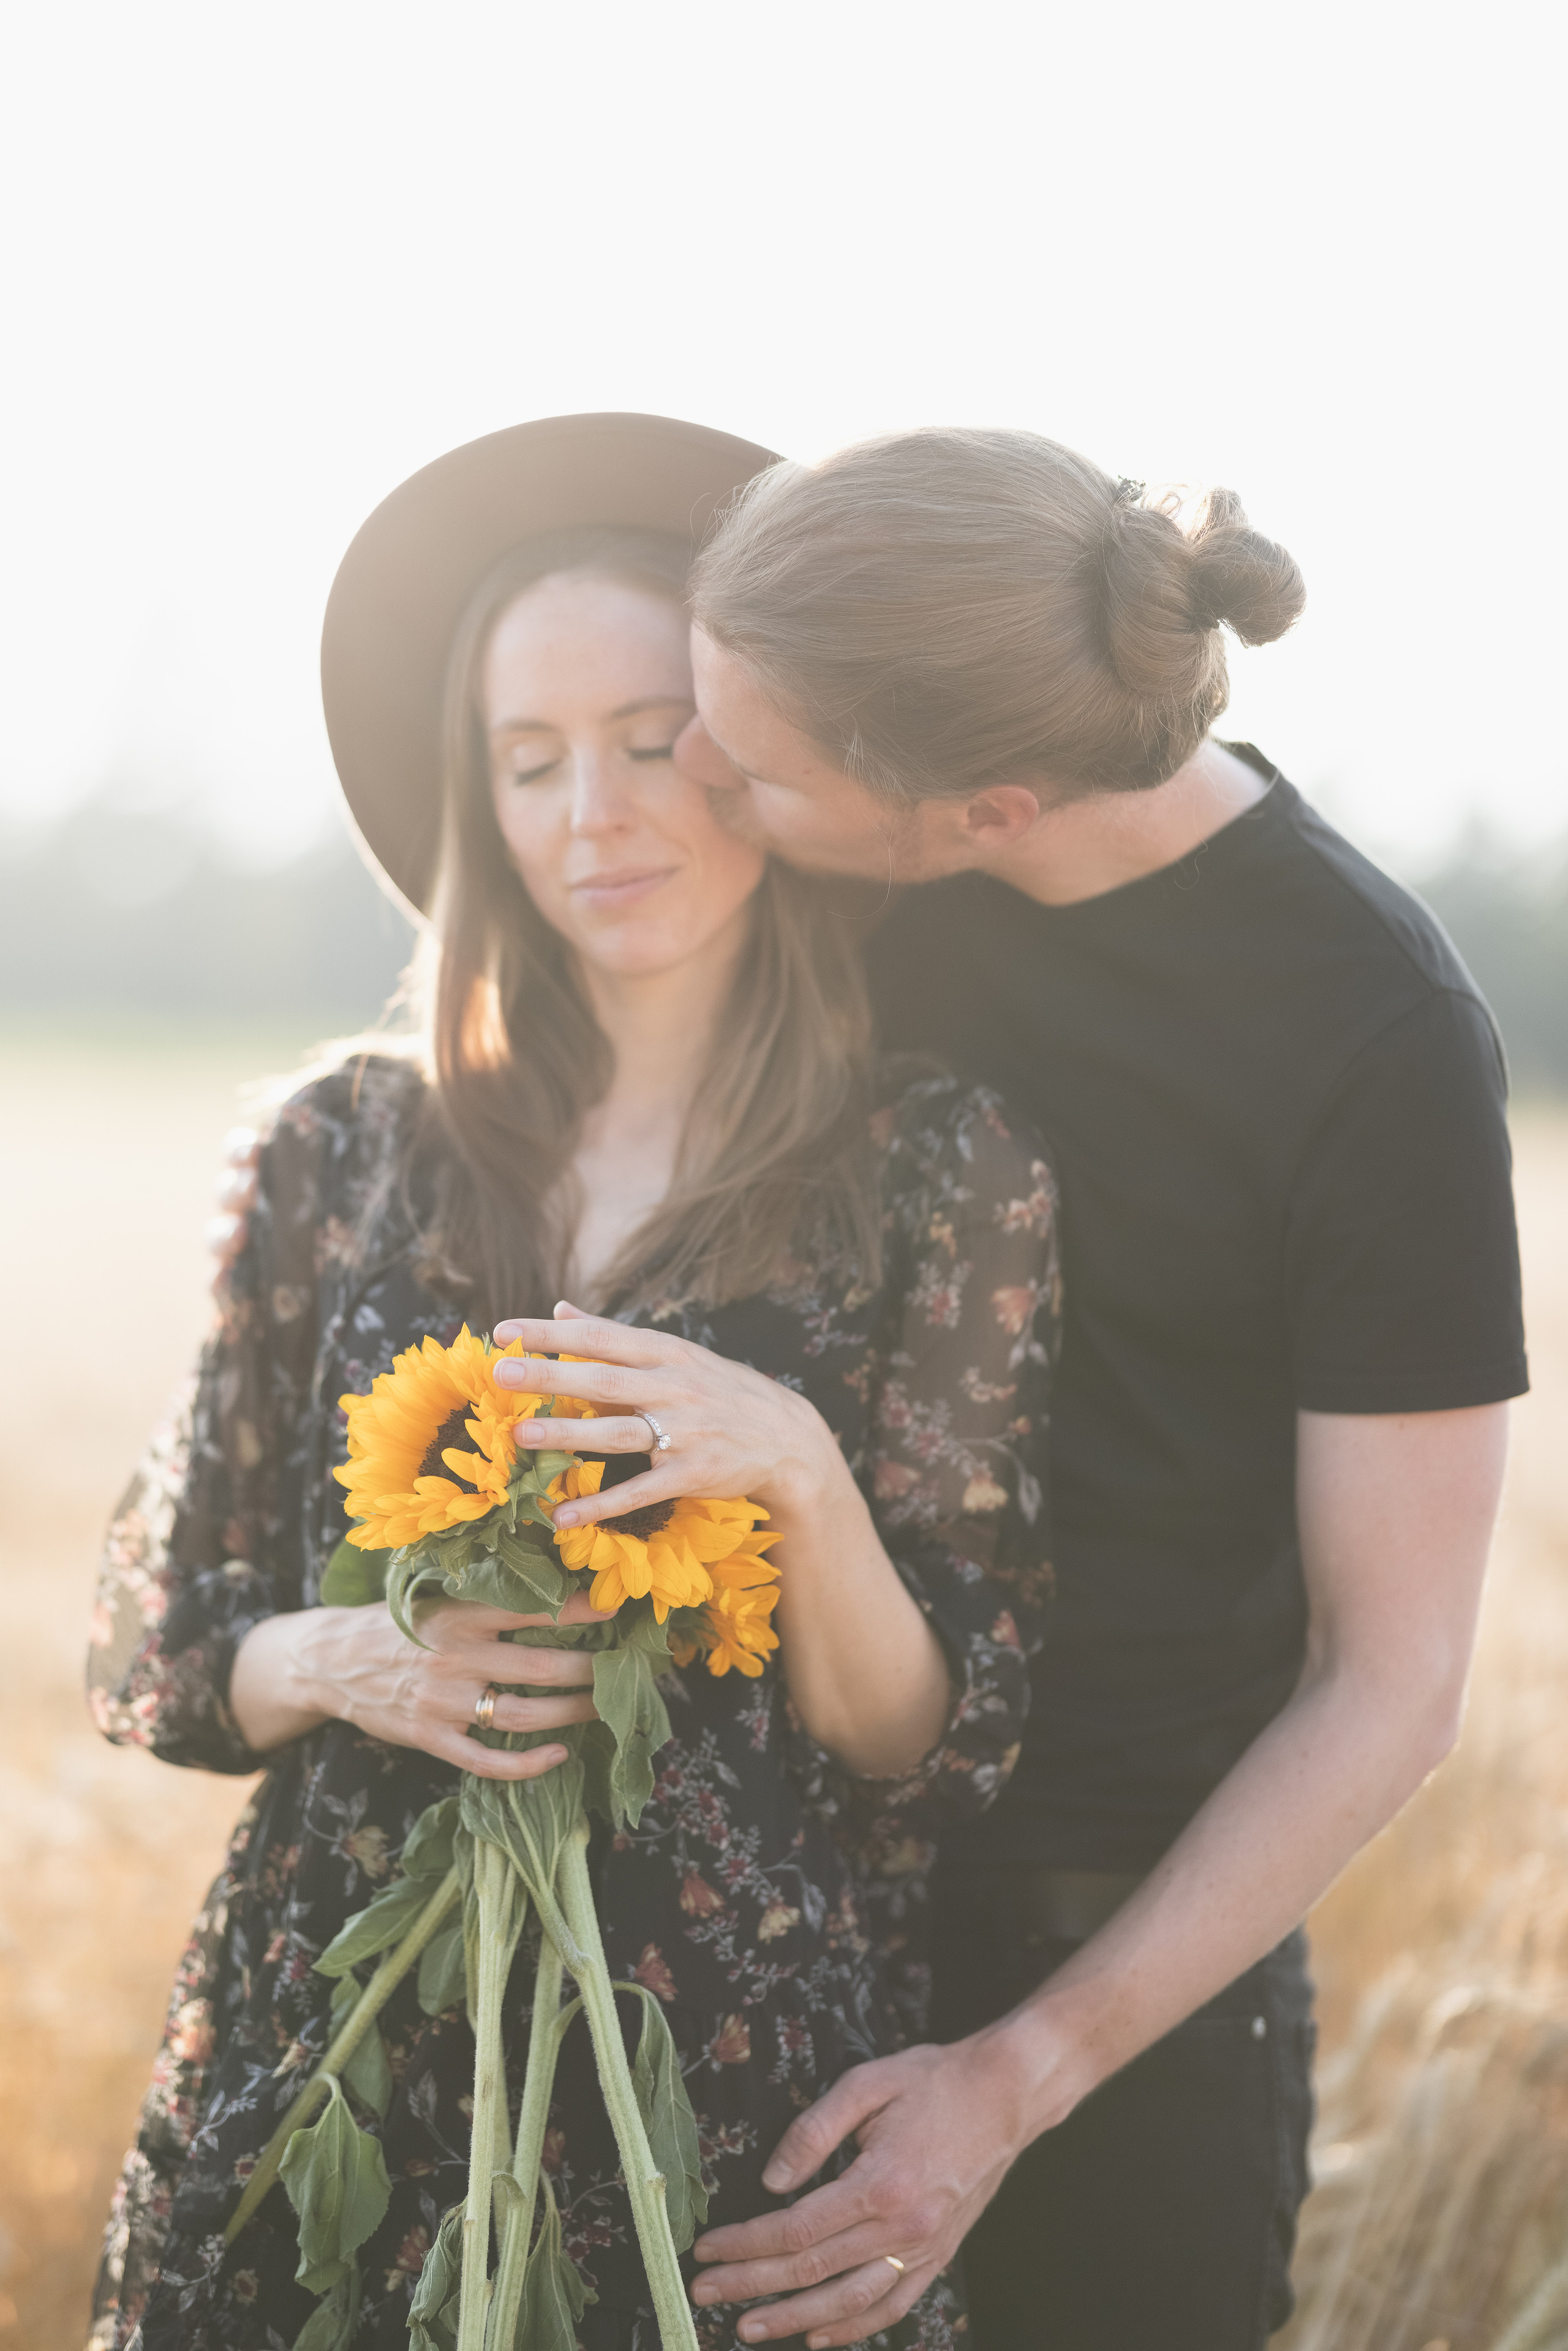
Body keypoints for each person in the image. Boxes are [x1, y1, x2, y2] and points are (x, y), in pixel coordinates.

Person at [86, 417, 1058, 2350]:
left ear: (765, 750)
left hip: (712, 2090)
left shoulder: (944, 1173)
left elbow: (932, 1743)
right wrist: (346, 1657)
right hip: (330, 2059)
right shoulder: (333, 1154)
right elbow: (150, 1643)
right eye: (529, 764)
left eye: (650, 739)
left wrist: (796, 1470)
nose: (591, 812)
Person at [674, 428, 1526, 2350]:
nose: (697, 774)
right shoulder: (841, 866)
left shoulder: (1380, 1037)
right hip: (742, 1903)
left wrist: (1020, 2074)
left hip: (1114, 1988)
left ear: (980, 814)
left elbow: (1389, 1686)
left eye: (755, 763)